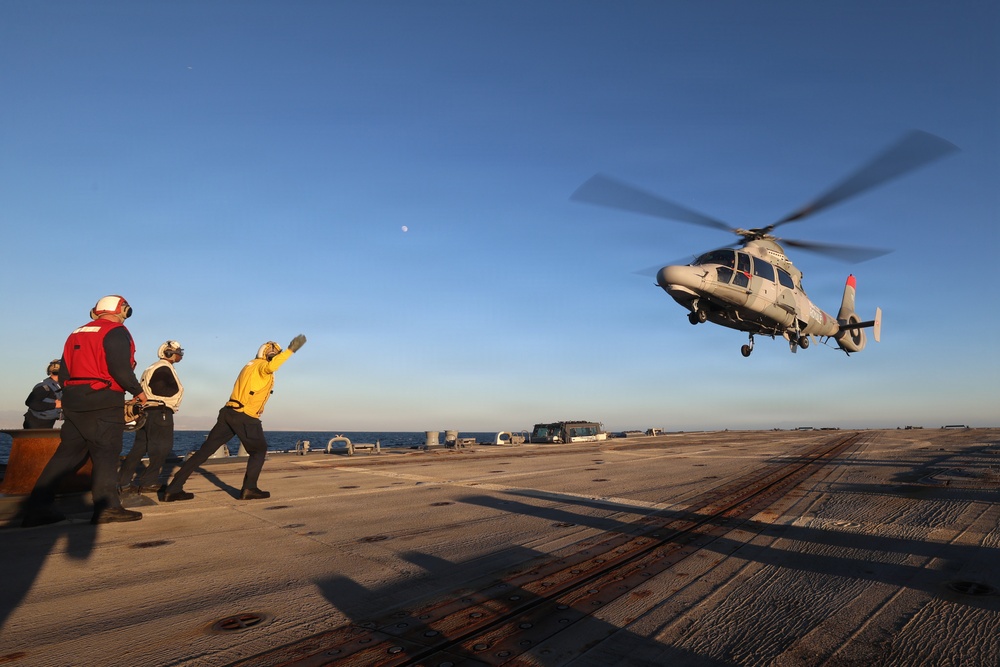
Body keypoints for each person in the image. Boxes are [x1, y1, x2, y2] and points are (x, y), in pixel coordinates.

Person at [21, 295, 148, 526]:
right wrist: (138, 392)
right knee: (106, 454)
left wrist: (70, 397)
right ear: (123, 310)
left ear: (95, 312)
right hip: (104, 400)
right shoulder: (116, 331)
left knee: (66, 455)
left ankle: (37, 507)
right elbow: (119, 368)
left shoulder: (76, 333)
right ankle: (107, 507)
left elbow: (65, 371)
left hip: (74, 401)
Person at [161, 335, 306, 502]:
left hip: (228, 413)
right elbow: (272, 366)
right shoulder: (262, 367)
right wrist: (291, 350)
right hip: (245, 416)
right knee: (258, 451)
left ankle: (173, 488)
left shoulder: (249, 365)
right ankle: (249, 489)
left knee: (204, 451)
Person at [118, 340, 185, 495]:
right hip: (160, 412)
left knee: (139, 447)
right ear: (169, 353)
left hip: (147, 412)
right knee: (162, 448)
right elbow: (161, 389)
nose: (179, 354)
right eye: (177, 352)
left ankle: (123, 481)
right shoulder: (163, 368)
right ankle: (149, 482)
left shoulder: (152, 367)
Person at [23, 359, 64, 428]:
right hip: (35, 424)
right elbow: (30, 403)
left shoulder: (58, 386)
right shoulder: (44, 387)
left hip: (47, 423)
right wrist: (54, 405)